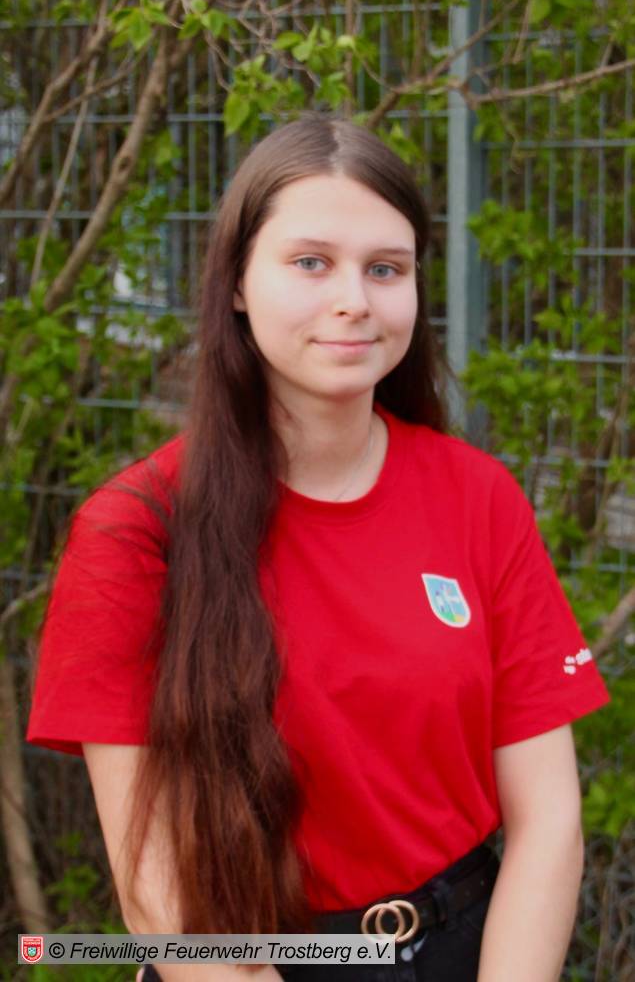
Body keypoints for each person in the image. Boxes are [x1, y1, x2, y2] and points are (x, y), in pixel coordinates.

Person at [26, 109, 611, 982]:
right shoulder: (136, 530)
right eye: (310, 262)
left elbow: (548, 820)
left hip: (471, 947)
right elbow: (160, 893)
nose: (354, 300)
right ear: (236, 282)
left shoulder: (478, 496)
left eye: (385, 268)